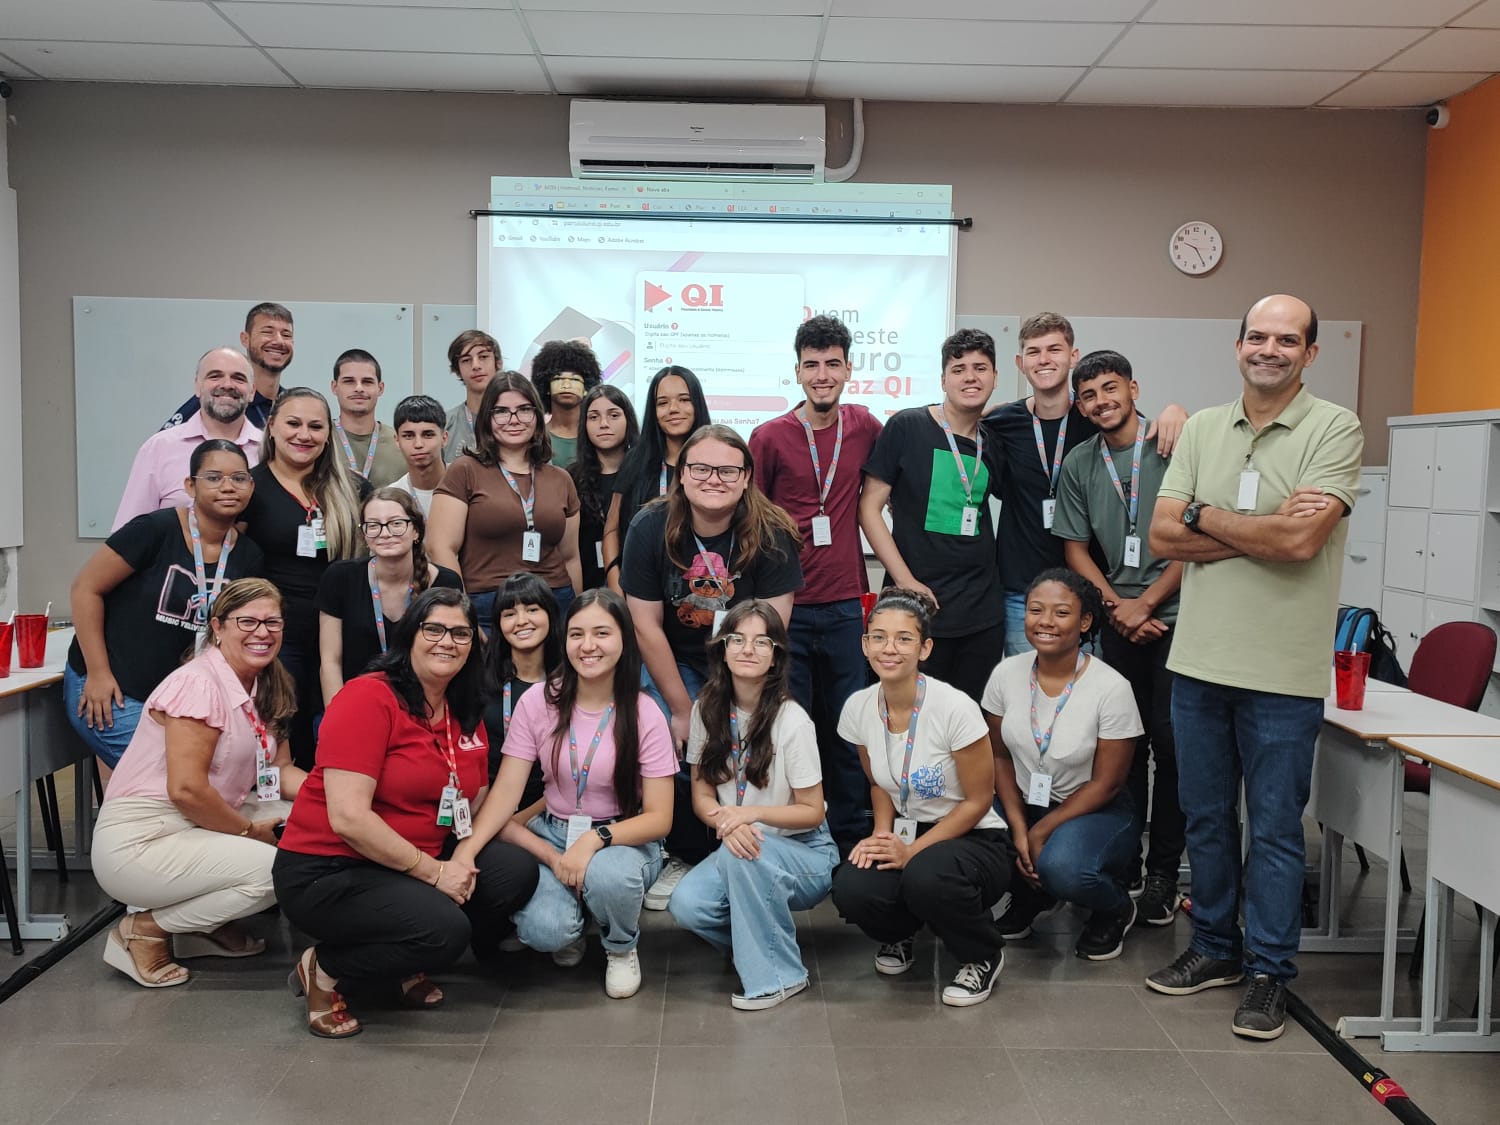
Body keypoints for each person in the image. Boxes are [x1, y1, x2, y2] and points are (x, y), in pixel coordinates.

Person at [1144, 294, 1363, 1041]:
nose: (1270, 348)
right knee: (1206, 819)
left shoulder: (1335, 427)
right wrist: (1262, 527)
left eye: (1287, 339)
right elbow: (1164, 535)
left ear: (1310, 352)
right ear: (1238, 344)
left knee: (1271, 828)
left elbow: (1302, 546)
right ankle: (1214, 948)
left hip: (1282, 674)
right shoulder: (1204, 426)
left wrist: (1208, 515)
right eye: (1258, 336)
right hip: (1199, 663)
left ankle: (1269, 969)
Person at [274, 587, 540, 1038]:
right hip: (331, 869)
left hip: (413, 856)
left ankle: (404, 954)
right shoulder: (367, 698)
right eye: (433, 629)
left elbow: (475, 794)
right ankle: (324, 969)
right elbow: (349, 819)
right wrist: (436, 874)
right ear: (409, 636)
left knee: (511, 871)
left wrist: (464, 855)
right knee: (444, 932)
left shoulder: (462, 704)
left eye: (460, 633)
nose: (447, 642)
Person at [455, 590, 676, 999]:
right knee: (546, 933)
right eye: (577, 634)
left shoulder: (645, 711)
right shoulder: (539, 701)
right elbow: (506, 794)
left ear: (624, 639)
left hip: (622, 835)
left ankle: (620, 946)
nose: (587, 646)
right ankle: (574, 920)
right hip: (553, 832)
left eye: (601, 633)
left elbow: (660, 818)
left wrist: (594, 840)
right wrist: (473, 852)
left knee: (611, 876)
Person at [621, 423, 803, 906]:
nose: (713, 479)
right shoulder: (649, 526)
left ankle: (756, 844)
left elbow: (768, 631)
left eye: (727, 470)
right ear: (681, 475)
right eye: (700, 468)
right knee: (672, 742)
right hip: (674, 656)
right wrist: (684, 710)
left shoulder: (773, 531)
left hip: (746, 656)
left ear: (746, 477)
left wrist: (730, 698)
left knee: (744, 744)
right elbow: (644, 625)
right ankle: (682, 853)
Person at [92, 578, 304, 988]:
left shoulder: (262, 681)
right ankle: (147, 928)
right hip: (143, 838)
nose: (262, 632)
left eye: (272, 622)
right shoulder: (200, 683)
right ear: (218, 626)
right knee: (279, 868)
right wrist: (249, 833)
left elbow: (276, 769)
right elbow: (186, 790)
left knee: (308, 826)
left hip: (195, 823)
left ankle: (198, 924)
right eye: (248, 621)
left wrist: (336, 793)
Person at [830, 588, 1013, 1007]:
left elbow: (978, 801)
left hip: (973, 837)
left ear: (925, 647)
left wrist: (912, 852)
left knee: (926, 875)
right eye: (877, 637)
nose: (888, 648)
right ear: (864, 644)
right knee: (852, 886)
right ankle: (901, 933)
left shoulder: (955, 708)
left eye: (903, 638)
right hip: (905, 829)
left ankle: (983, 953)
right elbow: (878, 782)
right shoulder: (858, 707)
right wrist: (881, 836)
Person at [1052, 350, 1185, 922]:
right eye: (1089, 395)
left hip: (1181, 621)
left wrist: (1149, 602)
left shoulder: (1174, 445)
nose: (1101, 401)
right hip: (1117, 621)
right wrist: (1117, 605)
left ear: (1134, 388)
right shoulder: (1080, 462)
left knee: (1174, 750)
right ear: (1079, 405)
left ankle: (1163, 874)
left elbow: (1196, 542)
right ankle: (1125, 862)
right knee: (1122, 749)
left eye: (1110, 389)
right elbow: (1075, 549)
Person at [750, 314, 881, 856]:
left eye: (832, 363)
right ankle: (796, 837)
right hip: (789, 611)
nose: (822, 374)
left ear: (849, 368)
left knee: (851, 729)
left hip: (849, 605)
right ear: (797, 371)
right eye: (812, 365)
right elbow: (749, 521)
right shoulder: (769, 436)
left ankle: (852, 839)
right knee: (790, 733)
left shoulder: (868, 427)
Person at [983, 312, 1187, 657]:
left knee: (1092, 702)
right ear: (1020, 363)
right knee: (1031, 697)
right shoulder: (1001, 421)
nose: (1044, 359)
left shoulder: (1098, 416)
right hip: (1022, 591)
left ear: (1073, 356)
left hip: (1091, 592)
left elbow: (1140, 429)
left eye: (1054, 349)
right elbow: (953, 420)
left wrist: (1176, 410)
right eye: (1034, 352)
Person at [668, 600, 836, 1010]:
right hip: (740, 841)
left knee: (747, 852)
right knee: (686, 904)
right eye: (737, 639)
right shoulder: (706, 710)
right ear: (722, 649)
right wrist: (731, 823)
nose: (748, 649)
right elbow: (702, 795)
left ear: (776, 655)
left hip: (804, 852)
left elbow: (812, 810)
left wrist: (750, 815)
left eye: (762, 642)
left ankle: (780, 977)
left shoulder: (792, 720)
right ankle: (757, 943)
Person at [67, 439, 265, 784]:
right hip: (114, 689)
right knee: (177, 779)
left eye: (239, 478)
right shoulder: (154, 530)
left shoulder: (249, 555)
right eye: (214, 477)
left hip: (178, 704)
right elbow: (86, 589)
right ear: (190, 485)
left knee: (206, 775)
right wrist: (98, 674)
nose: (228, 487)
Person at [984, 569, 1144, 962]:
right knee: (974, 839)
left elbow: (1107, 783)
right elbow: (999, 757)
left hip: (1093, 807)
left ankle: (1115, 907)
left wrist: (1041, 831)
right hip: (1023, 801)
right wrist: (1022, 828)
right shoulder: (1006, 673)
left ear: (1084, 621)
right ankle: (1032, 896)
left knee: (1065, 867)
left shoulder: (1111, 688)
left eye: (1061, 612)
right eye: (1036, 610)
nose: (1045, 622)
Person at [859, 328, 1005, 703]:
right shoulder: (908, 426)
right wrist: (906, 581)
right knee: (907, 717)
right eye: (958, 369)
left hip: (981, 612)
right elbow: (869, 509)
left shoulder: (994, 441)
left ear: (995, 377)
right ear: (943, 379)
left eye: (980, 368)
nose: (970, 377)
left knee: (968, 721)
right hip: (915, 607)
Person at [239, 387, 368, 768]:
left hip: (339, 632)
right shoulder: (249, 487)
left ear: (328, 435)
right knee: (280, 732)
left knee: (333, 729)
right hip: (277, 636)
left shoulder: (353, 488)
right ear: (273, 426)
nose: (304, 435)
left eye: (315, 426)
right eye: (293, 423)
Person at [428, 371, 582, 626]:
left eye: (524, 409)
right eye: (501, 411)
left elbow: (570, 557)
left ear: (537, 416)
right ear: (487, 418)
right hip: (488, 605)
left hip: (555, 601)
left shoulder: (561, 478)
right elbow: (440, 548)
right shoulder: (465, 470)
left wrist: (576, 618)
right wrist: (462, 616)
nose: (514, 420)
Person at [317, 487, 462, 708]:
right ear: (364, 535)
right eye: (373, 526)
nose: (385, 533)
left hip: (423, 707)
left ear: (416, 531)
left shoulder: (445, 582)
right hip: (355, 704)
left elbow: (452, 658)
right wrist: (337, 717)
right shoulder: (340, 577)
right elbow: (330, 662)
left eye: (396, 523)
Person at [115, 347, 262, 530]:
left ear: (252, 392)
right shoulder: (159, 447)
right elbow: (128, 535)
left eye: (238, 378)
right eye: (215, 376)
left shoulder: (270, 451)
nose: (227, 384)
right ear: (197, 387)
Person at [602, 365, 710, 595]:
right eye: (662, 403)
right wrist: (616, 583)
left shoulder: (715, 462)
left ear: (697, 404)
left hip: (697, 593)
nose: (673, 409)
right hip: (637, 589)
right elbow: (611, 530)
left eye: (684, 400)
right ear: (653, 410)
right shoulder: (636, 460)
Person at [480, 572, 562, 805]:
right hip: (490, 802)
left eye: (532, 609)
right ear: (498, 624)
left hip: (551, 806)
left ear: (550, 614)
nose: (522, 620)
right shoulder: (481, 678)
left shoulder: (571, 681)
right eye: (510, 614)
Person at [161, 302, 293, 431]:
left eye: (286, 335)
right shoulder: (216, 400)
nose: (279, 341)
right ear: (245, 339)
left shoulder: (293, 404)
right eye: (267, 332)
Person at [569, 384, 638, 591]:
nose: (604, 424)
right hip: (587, 588)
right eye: (594, 417)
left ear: (628, 421)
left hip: (638, 589)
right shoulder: (571, 477)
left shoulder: (645, 475)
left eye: (614, 415)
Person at [329, 349, 406, 487]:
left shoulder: (401, 443)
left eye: (367, 382)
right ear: (334, 387)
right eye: (349, 381)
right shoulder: (320, 439)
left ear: (380, 388)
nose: (359, 388)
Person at [530, 338, 602, 469]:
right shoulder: (534, 436)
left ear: (586, 388)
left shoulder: (599, 435)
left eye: (575, 379)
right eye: (558, 378)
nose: (567, 385)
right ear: (546, 387)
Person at [442, 329, 500, 463]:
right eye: (466, 360)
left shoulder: (516, 421)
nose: (476, 366)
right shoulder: (445, 424)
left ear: (498, 363)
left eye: (483, 357)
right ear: (457, 371)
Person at [389, 394, 449, 516]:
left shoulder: (466, 487)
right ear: (397, 440)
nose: (418, 444)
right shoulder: (390, 498)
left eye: (428, 435)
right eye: (408, 436)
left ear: (444, 438)